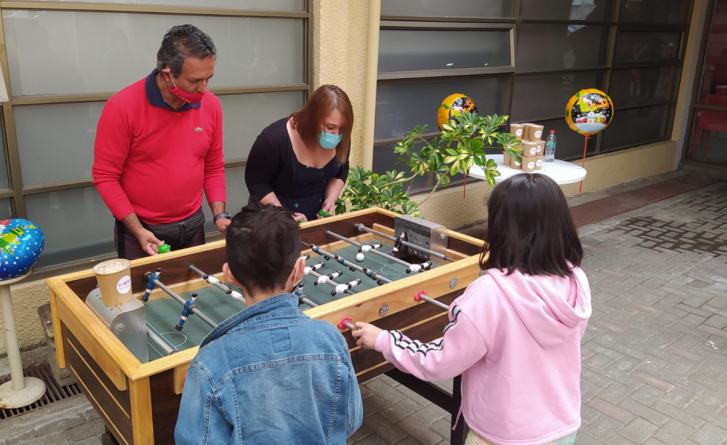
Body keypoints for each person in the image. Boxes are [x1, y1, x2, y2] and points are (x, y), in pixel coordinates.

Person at [352, 173, 591, 445]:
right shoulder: (575, 280)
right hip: (562, 427)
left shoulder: (489, 294)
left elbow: (440, 361)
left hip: (502, 436)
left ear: (501, 228)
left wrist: (385, 340)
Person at [174, 203, 363, 444]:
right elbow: (350, 421)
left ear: (228, 274)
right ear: (300, 270)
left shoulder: (210, 361)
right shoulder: (331, 338)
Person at [92, 25, 230, 260]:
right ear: (168, 74)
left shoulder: (211, 105)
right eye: (195, 80)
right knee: (146, 295)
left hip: (194, 223)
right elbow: (105, 177)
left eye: (209, 78)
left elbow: (213, 165)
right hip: (143, 229)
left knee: (195, 291)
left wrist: (219, 214)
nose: (204, 88)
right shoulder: (122, 107)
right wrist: (138, 230)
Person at [244, 85, 353, 222]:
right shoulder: (274, 139)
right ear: (312, 118)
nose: (336, 135)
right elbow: (256, 182)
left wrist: (331, 199)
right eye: (330, 127)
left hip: (314, 217)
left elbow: (342, 169)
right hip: (271, 219)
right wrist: (283, 214)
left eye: (342, 128)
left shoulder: (341, 139)